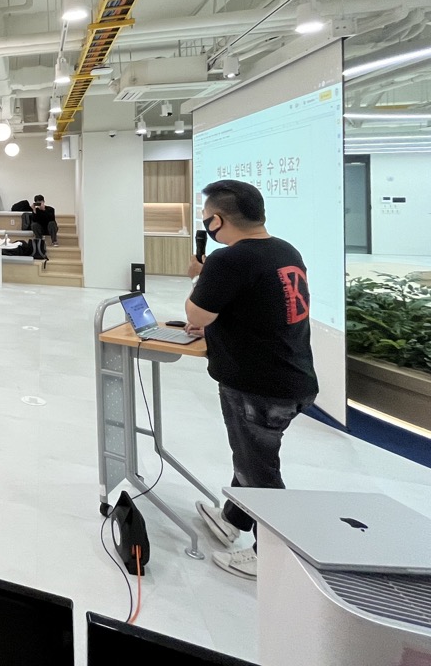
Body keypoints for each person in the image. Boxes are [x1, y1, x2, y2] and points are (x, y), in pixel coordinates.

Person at [185, 180, 317, 582]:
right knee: (250, 456)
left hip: (258, 387)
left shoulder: (229, 260)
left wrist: (200, 278)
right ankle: (233, 519)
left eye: (206, 219)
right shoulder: (284, 250)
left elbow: (196, 314)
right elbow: (257, 305)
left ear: (217, 220)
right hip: (292, 376)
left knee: (259, 471)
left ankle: (270, 555)